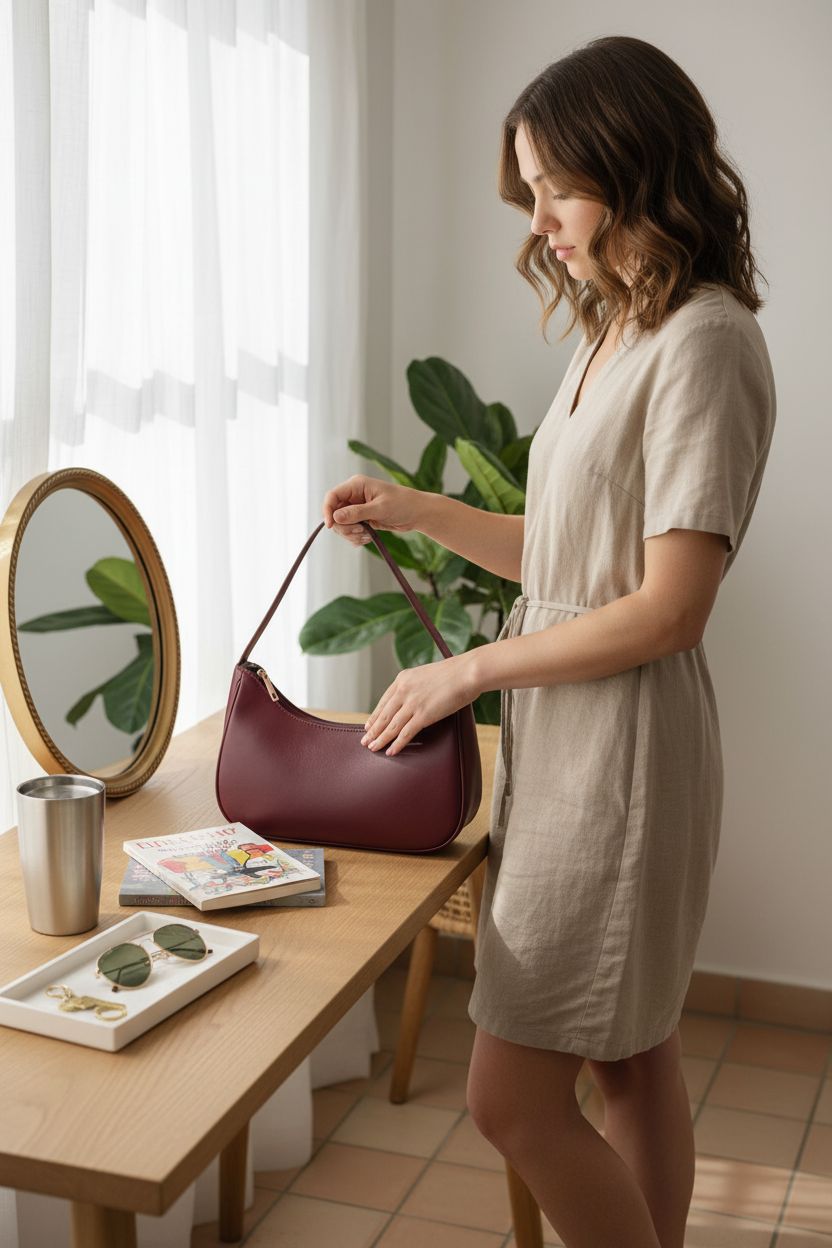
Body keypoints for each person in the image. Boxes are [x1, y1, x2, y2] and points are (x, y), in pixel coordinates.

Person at [321, 34, 776, 1248]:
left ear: (632, 165)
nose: (535, 222)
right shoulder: (616, 330)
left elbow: (670, 606)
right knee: (632, 1061)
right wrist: (419, 515)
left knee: (508, 1099)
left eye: (553, 188)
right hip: (576, 745)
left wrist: (464, 670)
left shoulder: (704, 343)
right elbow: (573, 561)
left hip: (621, 761)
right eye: (527, 191)